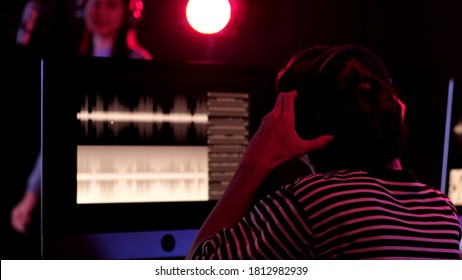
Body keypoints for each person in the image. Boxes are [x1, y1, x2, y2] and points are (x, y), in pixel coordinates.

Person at [186, 44, 462, 259]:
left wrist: (254, 160)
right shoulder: (441, 210)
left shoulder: (313, 201)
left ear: (305, 124)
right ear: (394, 109)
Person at [10, 0, 152, 234]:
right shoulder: (71, 64)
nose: (101, 12)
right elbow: (55, 137)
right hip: (75, 192)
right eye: (95, 3)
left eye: (111, 5)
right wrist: (30, 196)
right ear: (82, 8)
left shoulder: (139, 63)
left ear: (127, 13)